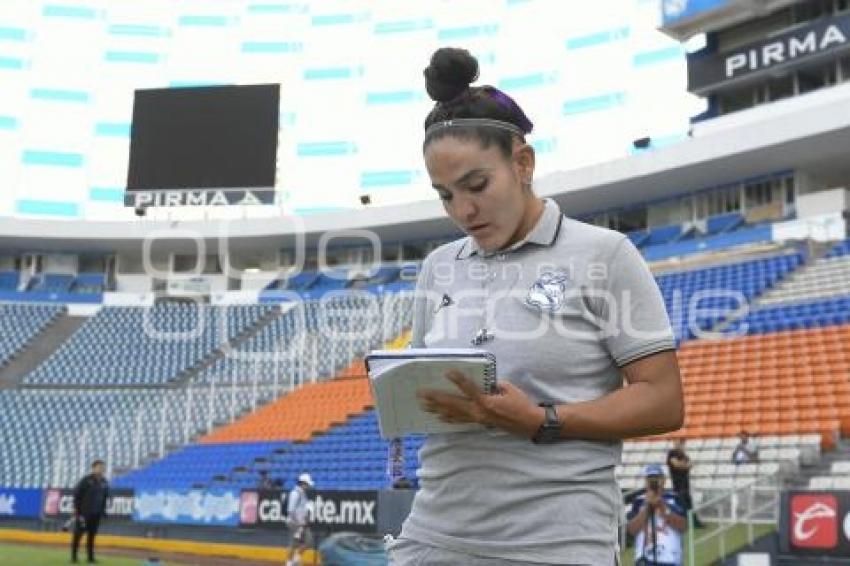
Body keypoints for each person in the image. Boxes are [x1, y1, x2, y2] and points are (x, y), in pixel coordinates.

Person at [387, 47, 684, 565]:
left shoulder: (604, 254)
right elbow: (426, 384)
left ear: (522, 162)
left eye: (476, 185)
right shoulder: (438, 266)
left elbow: (663, 401)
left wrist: (543, 419)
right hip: (434, 537)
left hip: (557, 544)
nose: (464, 211)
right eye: (445, 195)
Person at [627, 464, 687, 566]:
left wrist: (662, 506)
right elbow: (632, 530)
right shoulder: (638, 501)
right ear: (645, 481)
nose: (654, 481)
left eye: (657, 478)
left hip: (670, 558)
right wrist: (647, 507)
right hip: (644, 558)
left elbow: (683, 526)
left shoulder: (674, 498)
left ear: (664, 480)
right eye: (650, 478)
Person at [71, 459, 109, 564]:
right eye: (100, 467)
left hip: (96, 514)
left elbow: (105, 497)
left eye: (103, 467)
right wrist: (76, 509)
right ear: (94, 468)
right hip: (84, 513)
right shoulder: (86, 480)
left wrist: (103, 510)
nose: (102, 469)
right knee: (78, 534)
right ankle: (74, 557)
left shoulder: (104, 482)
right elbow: (77, 494)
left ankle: (90, 557)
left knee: (92, 535)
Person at [666, 438, 702, 528]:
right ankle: (680, 523)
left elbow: (690, 465)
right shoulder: (672, 453)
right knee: (679, 504)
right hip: (677, 484)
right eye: (677, 443)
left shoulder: (684, 456)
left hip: (685, 484)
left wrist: (683, 465)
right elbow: (676, 464)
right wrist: (685, 465)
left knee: (688, 504)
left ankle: (691, 523)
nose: (679, 445)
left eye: (681, 443)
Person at [285, 473, 314, 566]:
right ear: (303, 483)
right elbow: (291, 510)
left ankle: (296, 558)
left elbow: (302, 508)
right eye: (308, 484)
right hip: (295, 523)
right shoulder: (295, 493)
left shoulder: (302, 493)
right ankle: (289, 563)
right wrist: (298, 522)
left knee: (309, 541)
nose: (309, 486)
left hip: (302, 523)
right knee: (294, 543)